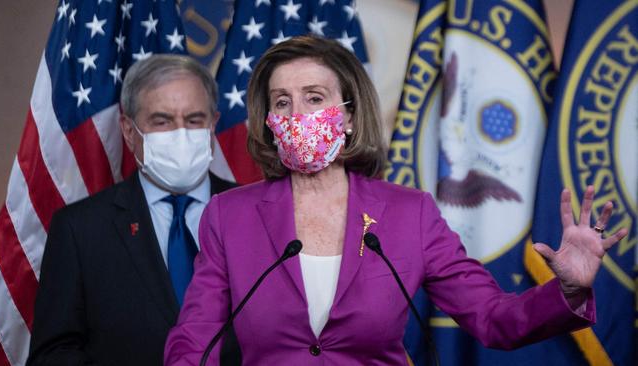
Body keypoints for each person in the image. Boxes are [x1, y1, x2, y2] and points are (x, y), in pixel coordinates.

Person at [163, 36, 628, 365]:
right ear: (267, 120)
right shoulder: (231, 216)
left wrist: (567, 291)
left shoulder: (410, 214)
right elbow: (194, 340)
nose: (296, 114)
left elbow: (491, 318)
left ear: (347, 116)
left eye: (314, 97)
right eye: (281, 103)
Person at [27, 55, 240, 366]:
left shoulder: (255, 215)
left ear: (212, 125)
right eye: (162, 121)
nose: (180, 133)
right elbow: (53, 353)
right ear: (128, 130)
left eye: (194, 120)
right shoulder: (80, 228)